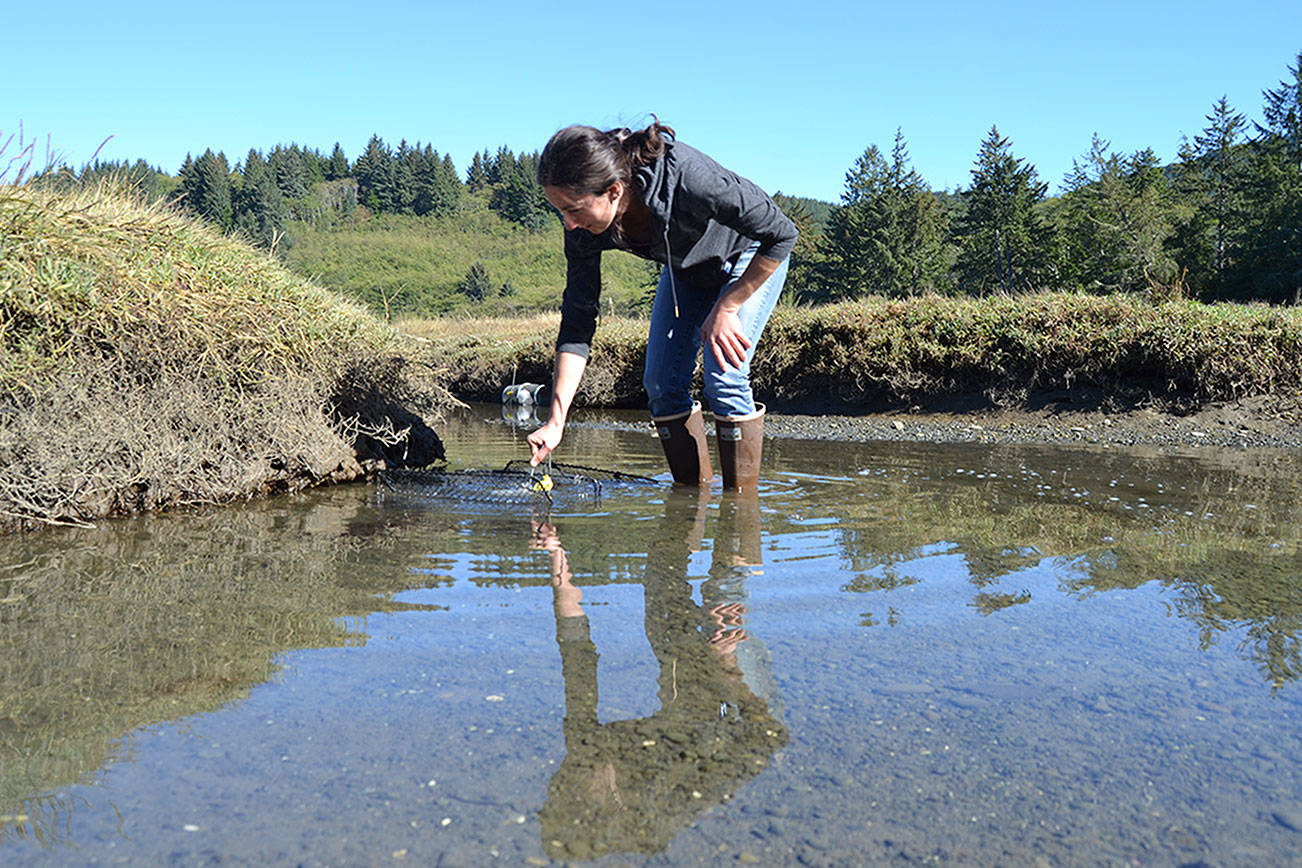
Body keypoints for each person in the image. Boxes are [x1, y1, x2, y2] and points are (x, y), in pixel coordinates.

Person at [526, 119, 797, 492]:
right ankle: (691, 502)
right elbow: (577, 321)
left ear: (614, 191)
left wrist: (728, 307)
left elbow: (781, 234)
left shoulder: (689, 177)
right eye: (561, 212)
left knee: (724, 378)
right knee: (660, 384)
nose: (569, 224)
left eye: (574, 210)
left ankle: (741, 514)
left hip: (748, 255)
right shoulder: (583, 231)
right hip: (686, 268)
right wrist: (556, 420)